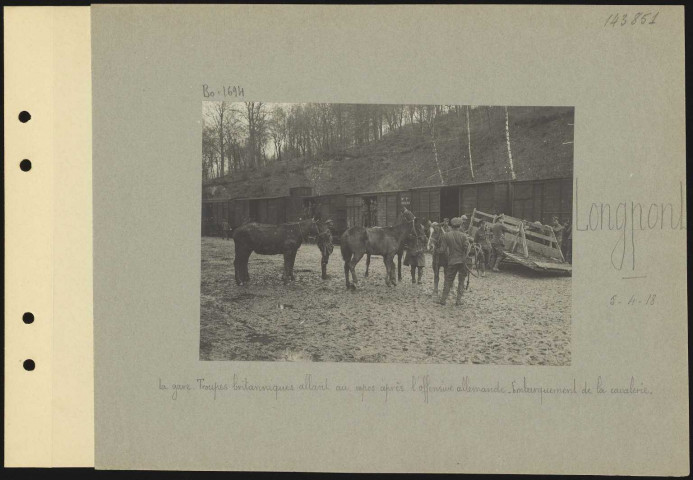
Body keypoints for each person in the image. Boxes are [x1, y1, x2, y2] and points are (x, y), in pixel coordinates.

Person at [438, 217, 471, 306]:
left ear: (451, 225)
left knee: (448, 280)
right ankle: (458, 301)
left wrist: (436, 249)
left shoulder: (446, 235)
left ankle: (443, 300)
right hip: (462, 262)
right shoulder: (464, 236)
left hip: (452, 261)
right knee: (461, 280)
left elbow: (442, 250)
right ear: (460, 226)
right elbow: (467, 248)